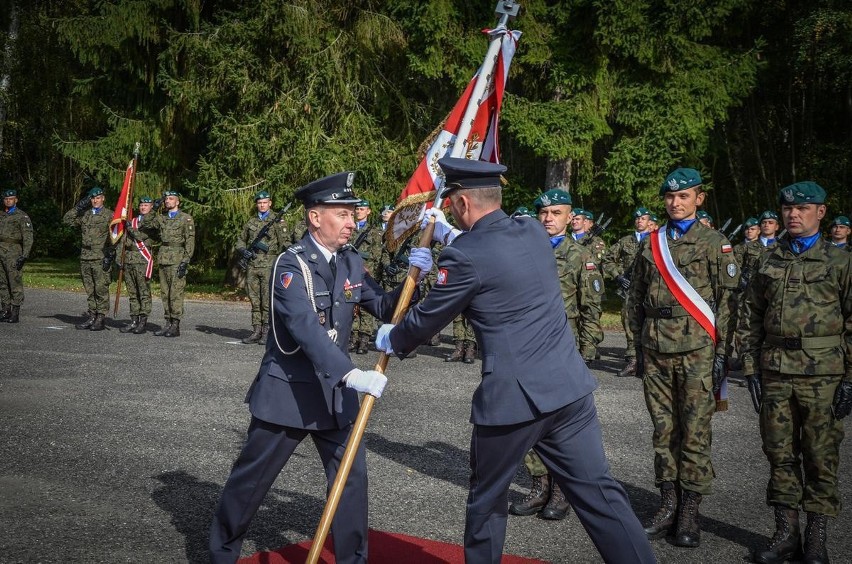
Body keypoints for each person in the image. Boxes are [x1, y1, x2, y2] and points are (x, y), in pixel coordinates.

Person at [374, 157, 656, 564]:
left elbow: (425, 322)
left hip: (514, 404)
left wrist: (393, 335)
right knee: (600, 494)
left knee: (487, 500)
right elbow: (496, 254)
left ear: (463, 203)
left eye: (452, 204)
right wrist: (453, 239)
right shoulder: (531, 231)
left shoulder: (464, 256)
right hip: (568, 390)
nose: (451, 210)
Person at [209, 171, 432, 564]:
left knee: (350, 483)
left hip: (335, 400)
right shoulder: (290, 264)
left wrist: (416, 278)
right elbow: (305, 329)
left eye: (352, 214)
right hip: (290, 395)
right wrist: (351, 374)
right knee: (249, 486)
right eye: (343, 214)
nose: (352, 222)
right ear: (316, 217)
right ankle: (221, 554)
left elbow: (381, 306)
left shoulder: (350, 261)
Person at [739, 181, 851, 564]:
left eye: (804, 207)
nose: (793, 214)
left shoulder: (840, 261)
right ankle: (786, 533)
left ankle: (817, 539)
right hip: (775, 372)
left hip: (823, 374)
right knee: (779, 453)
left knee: (820, 455)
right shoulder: (768, 259)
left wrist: (850, 378)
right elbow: (751, 315)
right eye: (788, 208)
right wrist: (751, 366)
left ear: (821, 212)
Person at [627, 167, 739, 548]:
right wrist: (636, 346)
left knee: (694, 431)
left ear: (699, 198)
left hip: (697, 350)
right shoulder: (651, 243)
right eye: (671, 197)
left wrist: (723, 352)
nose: (676, 203)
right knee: (663, 431)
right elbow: (634, 298)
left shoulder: (714, 242)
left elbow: (728, 302)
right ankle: (668, 503)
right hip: (655, 348)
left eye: (684, 196)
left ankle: (690, 510)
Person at [507, 187, 603, 521]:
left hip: (564, 348)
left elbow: (590, 308)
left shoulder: (580, 256)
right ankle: (539, 485)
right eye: (544, 213)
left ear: (570, 216)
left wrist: (587, 352)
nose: (548, 219)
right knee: (530, 417)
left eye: (556, 213)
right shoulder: (524, 251)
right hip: (528, 347)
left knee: (562, 423)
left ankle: (562, 491)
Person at [603, 206, 652, 377]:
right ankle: (633, 360)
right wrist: (618, 277)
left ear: (650, 221)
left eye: (643, 218)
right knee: (630, 321)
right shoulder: (625, 241)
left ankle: (650, 362)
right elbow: (607, 259)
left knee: (652, 323)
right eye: (637, 219)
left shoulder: (657, 240)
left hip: (651, 289)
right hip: (631, 290)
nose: (639, 221)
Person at [138, 190, 195, 337]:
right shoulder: (161, 218)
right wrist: (154, 208)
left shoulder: (185, 219)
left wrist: (185, 261)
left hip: (177, 259)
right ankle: (168, 323)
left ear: (177, 202)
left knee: (175, 293)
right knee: (165, 293)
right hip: (163, 258)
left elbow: (190, 242)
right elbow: (145, 223)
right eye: (166, 199)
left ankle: (175, 325)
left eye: (171, 199)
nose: (167, 201)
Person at [62, 186, 115, 331]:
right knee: (90, 289)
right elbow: (67, 219)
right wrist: (80, 205)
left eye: (98, 198)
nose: (95, 200)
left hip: (100, 256)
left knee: (100, 288)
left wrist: (110, 255)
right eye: (92, 198)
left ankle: (101, 318)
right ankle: (92, 315)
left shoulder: (110, 215)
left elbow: (117, 237)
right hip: (85, 256)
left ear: (103, 198)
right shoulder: (85, 215)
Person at [236, 190, 285, 344]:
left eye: (265, 202)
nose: (262, 205)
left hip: (269, 264)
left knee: (267, 300)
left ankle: (267, 330)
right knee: (254, 299)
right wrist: (244, 250)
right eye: (259, 203)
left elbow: (284, 243)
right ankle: (256, 330)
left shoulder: (277, 221)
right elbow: (240, 241)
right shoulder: (251, 222)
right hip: (252, 264)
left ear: (270, 203)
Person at [349, 199, 383, 354]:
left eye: (362, 209)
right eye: (357, 209)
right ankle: (353, 337)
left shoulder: (374, 231)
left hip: (366, 272)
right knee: (352, 303)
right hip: (350, 271)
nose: (359, 212)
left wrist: (368, 269)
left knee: (366, 307)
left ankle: (364, 339)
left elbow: (377, 255)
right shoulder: (349, 229)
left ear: (368, 211)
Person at [119, 197, 156, 334]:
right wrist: (120, 258)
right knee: (132, 293)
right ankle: (133, 320)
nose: (143, 207)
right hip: (129, 260)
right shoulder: (133, 220)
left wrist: (130, 228)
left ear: (151, 207)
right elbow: (123, 241)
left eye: (146, 205)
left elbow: (140, 237)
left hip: (142, 260)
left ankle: (143, 321)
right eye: (141, 205)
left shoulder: (151, 222)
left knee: (144, 292)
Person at [0, 189, 33, 323]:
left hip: (14, 253)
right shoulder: (1, 215)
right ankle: (5, 309)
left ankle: (15, 311)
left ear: (16, 200)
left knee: (15, 282)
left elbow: (28, 238)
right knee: (2, 282)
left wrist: (24, 255)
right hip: (0, 251)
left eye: (11, 199)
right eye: (6, 199)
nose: (8, 201)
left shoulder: (22, 216)